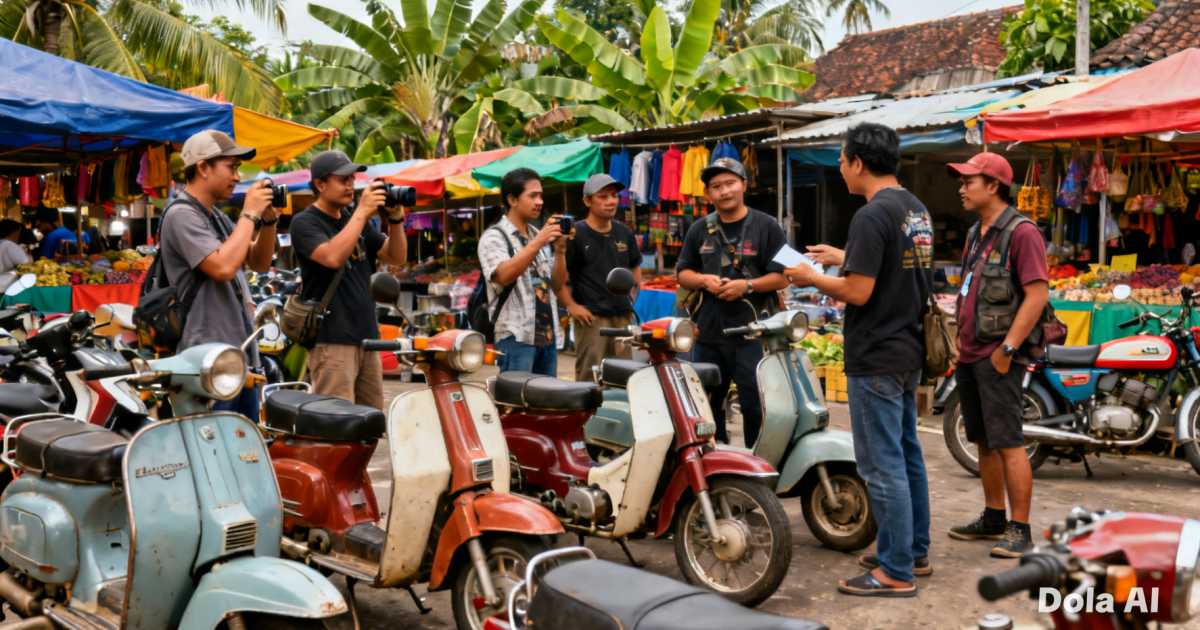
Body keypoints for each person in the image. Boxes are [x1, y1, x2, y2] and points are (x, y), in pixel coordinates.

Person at [785, 123, 932, 597]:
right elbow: (890, 265)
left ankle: (894, 571)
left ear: (859, 163)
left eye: (842, 160)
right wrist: (843, 255)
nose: (840, 169)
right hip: (908, 349)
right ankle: (913, 550)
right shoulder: (914, 209)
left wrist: (811, 276)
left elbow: (857, 290)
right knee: (907, 457)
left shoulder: (871, 214)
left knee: (881, 465)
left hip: (878, 354)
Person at [945, 153, 1049, 559]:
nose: (961, 187)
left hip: (999, 356)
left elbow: (1037, 295)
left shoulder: (1023, 233)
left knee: (1009, 442)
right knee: (983, 441)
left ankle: (1019, 529)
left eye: (969, 180)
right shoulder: (976, 232)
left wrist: (1007, 350)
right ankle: (993, 518)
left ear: (993, 185)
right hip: (971, 355)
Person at [160, 129, 277, 417]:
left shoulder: (216, 216)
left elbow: (259, 263)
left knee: (241, 453)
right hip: (207, 362)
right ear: (202, 167)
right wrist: (248, 213)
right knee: (212, 454)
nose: (238, 177)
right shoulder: (181, 214)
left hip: (235, 357)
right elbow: (223, 267)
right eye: (232, 167)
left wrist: (269, 222)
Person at [675, 157, 788, 447]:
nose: (724, 191)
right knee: (707, 406)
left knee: (755, 405)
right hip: (708, 335)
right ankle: (712, 463)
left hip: (753, 335)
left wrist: (746, 285)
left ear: (744, 185)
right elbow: (682, 274)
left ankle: (759, 463)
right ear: (708, 193)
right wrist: (702, 281)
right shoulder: (699, 228)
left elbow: (784, 277)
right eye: (716, 186)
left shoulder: (767, 226)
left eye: (730, 183)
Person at [290, 151, 407, 409]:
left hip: (367, 337)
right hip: (331, 339)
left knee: (371, 421)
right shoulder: (305, 222)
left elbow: (396, 256)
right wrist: (361, 213)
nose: (350, 185)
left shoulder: (356, 221)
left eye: (352, 178)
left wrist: (396, 218)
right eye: (342, 179)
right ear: (320, 184)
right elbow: (332, 257)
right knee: (337, 423)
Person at [478, 168, 566, 376]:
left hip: (547, 337)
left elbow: (556, 285)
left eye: (541, 196)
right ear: (512, 199)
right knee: (516, 403)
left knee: (545, 405)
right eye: (533, 195)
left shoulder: (537, 235)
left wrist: (560, 251)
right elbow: (504, 275)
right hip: (516, 338)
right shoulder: (494, 237)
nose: (540, 202)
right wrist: (538, 242)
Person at [558, 174, 643, 382]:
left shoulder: (624, 231)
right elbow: (561, 277)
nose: (610, 201)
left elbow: (634, 267)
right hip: (592, 318)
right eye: (602, 197)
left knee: (626, 378)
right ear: (587, 201)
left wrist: (632, 297)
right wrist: (572, 306)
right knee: (591, 377)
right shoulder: (575, 233)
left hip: (623, 316)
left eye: (614, 195)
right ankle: (588, 415)